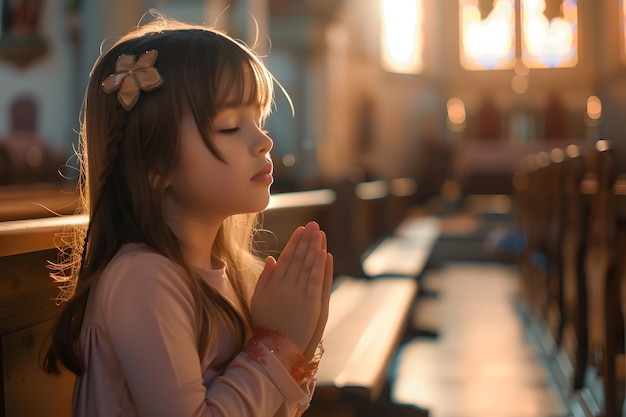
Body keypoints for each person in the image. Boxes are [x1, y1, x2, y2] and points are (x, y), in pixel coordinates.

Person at [44, 13, 333, 417]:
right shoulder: (144, 279)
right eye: (231, 126)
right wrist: (277, 343)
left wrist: (301, 337)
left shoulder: (229, 272)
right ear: (155, 162)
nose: (264, 140)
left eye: (259, 120)